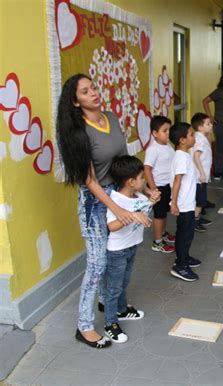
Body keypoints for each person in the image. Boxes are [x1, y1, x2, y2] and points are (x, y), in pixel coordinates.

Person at [56, 74, 158, 348]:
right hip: (95, 201)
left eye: (94, 88)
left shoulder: (111, 118)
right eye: (86, 92)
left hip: (119, 193)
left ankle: (110, 303)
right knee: (98, 263)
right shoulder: (78, 131)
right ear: (76, 102)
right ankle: (84, 326)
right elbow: (88, 179)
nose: (94, 93)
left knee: (125, 252)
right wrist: (115, 207)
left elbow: (125, 163)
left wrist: (144, 189)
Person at [104, 156, 157, 343]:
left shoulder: (140, 196)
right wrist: (133, 216)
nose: (145, 181)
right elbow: (112, 226)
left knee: (124, 281)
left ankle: (122, 309)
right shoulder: (116, 200)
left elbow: (143, 213)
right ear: (131, 181)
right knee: (113, 288)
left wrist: (151, 201)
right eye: (142, 178)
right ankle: (110, 323)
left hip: (132, 246)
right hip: (117, 251)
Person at [169, 122, 201, 282]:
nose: (194, 138)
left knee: (187, 233)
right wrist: (174, 203)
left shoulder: (183, 155)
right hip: (183, 205)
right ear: (182, 140)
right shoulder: (181, 158)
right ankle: (180, 266)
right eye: (191, 135)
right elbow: (177, 181)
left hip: (186, 203)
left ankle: (185, 257)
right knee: (184, 235)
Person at [144, 116, 176, 254]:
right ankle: (157, 242)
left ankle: (162, 233)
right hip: (159, 187)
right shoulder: (153, 149)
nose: (168, 133)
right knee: (159, 215)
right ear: (155, 133)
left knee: (163, 213)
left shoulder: (167, 146)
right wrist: (153, 189)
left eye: (169, 130)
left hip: (167, 185)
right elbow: (147, 169)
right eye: (165, 130)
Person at [191, 112, 213, 233]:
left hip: (200, 176)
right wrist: (202, 173)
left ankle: (197, 217)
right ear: (200, 127)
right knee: (200, 200)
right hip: (199, 177)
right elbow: (196, 156)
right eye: (208, 124)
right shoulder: (200, 139)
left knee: (201, 200)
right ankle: (194, 221)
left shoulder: (201, 137)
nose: (211, 126)